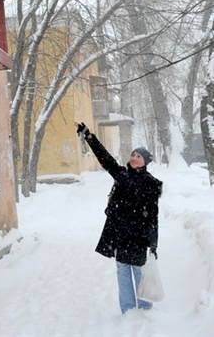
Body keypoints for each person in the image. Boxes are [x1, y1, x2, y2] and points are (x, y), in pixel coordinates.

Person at [75, 122, 163, 314]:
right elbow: (105, 158)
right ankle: (128, 310)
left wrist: (153, 242)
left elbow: (153, 216)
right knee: (123, 271)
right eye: (132, 155)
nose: (134, 158)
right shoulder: (121, 174)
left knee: (139, 272)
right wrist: (89, 136)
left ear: (146, 162)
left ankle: (145, 310)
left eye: (138, 156)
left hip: (138, 235)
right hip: (121, 233)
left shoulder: (150, 183)